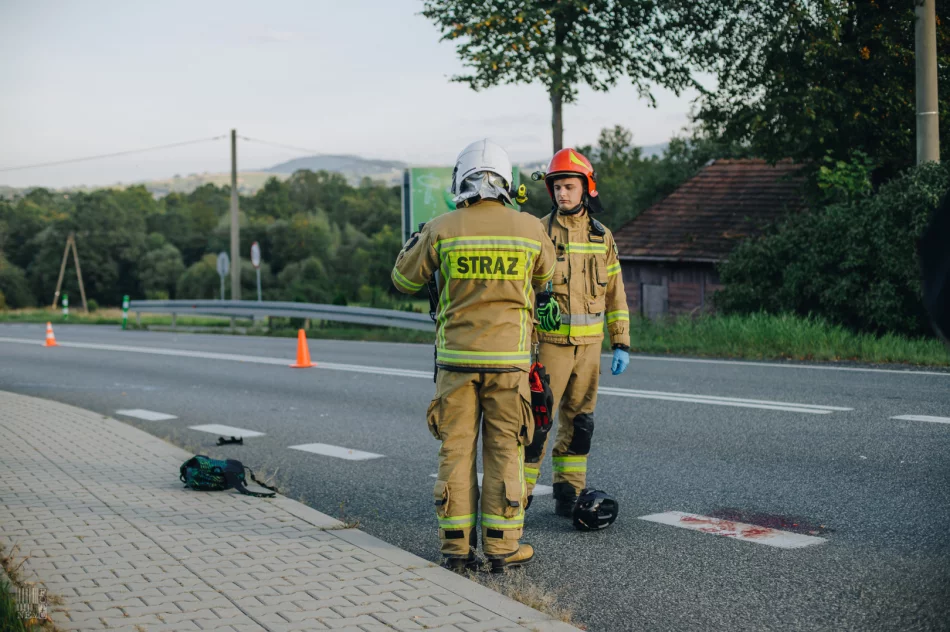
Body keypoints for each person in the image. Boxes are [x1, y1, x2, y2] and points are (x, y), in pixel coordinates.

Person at [392, 139, 556, 572]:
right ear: (505, 181)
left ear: (460, 180)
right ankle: (502, 548)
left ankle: (456, 548)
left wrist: (416, 240)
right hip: (510, 365)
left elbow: (403, 280)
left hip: (455, 364)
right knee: (506, 449)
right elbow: (547, 275)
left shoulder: (442, 228)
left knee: (456, 451)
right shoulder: (529, 228)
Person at [524, 148, 630, 516]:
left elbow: (616, 292)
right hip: (549, 347)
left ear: (587, 188)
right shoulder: (537, 232)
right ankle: (514, 500)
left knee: (580, 423)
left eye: (569, 186)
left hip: (590, 349)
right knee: (537, 423)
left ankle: (568, 495)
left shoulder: (603, 237)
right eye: (556, 187)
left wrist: (621, 341)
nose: (562, 194)